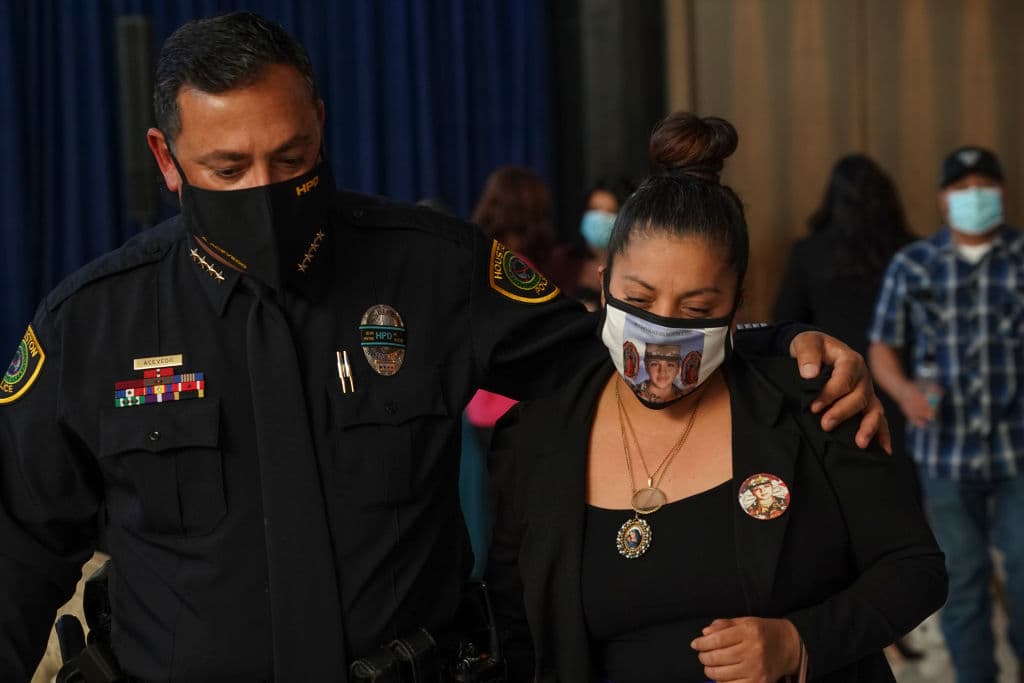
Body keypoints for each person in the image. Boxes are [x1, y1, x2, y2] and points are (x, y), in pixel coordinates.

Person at [0, 13, 885, 681]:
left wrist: (779, 345)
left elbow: (605, 357)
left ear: (321, 122)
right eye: (228, 171)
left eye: (292, 156)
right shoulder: (92, 325)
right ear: (166, 158)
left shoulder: (432, 267)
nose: (265, 190)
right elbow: (18, 551)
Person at [485, 113, 946, 683]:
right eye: (638, 296)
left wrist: (801, 643)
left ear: (737, 306)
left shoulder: (813, 405)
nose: (660, 329)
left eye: (697, 309)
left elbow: (914, 566)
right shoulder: (540, 431)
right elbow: (512, 617)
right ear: (603, 285)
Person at [869, 145, 1024, 683]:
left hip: (1016, 447)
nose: (973, 197)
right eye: (961, 188)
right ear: (942, 198)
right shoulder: (914, 264)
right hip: (945, 451)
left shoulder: (1021, 259)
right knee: (963, 580)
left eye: (984, 186)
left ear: (1001, 193)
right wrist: (904, 391)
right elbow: (883, 346)